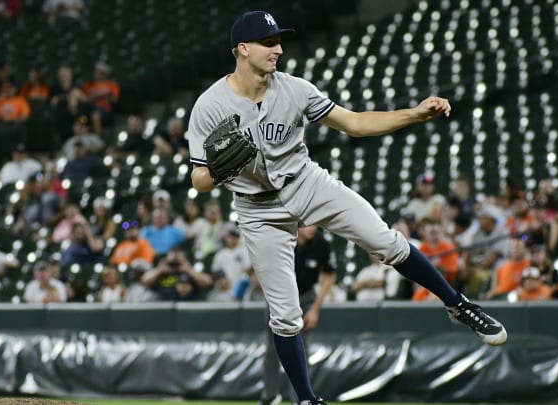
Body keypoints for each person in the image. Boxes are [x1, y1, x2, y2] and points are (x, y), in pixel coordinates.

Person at [187, 12, 506, 403]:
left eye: (279, 41)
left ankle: (459, 305)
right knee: (286, 316)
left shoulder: (296, 89)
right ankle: (306, 399)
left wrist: (414, 114)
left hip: (305, 181)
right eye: (269, 43)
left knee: (386, 242)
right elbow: (199, 181)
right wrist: (224, 166)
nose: (278, 49)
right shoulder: (210, 105)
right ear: (243, 49)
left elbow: (354, 123)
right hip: (257, 208)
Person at [261, 225, 336, 405]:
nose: (312, 228)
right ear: (297, 223)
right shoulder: (282, 238)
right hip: (280, 297)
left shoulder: (321, 245)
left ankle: (301, 399)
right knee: (272, 350)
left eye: (314, 223)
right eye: (307, 224)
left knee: (302, 349)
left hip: (306, 298)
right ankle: (269, 396)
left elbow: (329, 275)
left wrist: (315, 309)